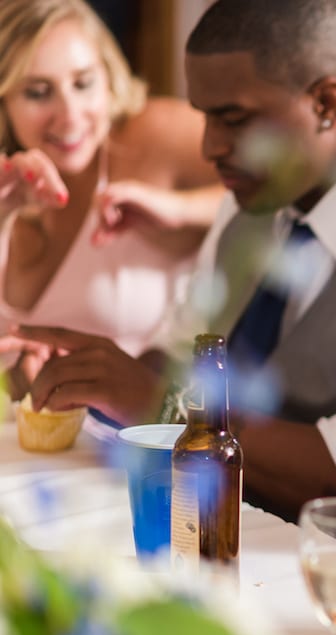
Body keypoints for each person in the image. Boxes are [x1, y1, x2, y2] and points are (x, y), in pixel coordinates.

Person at [3, 0, 336, 520]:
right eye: (206, 117)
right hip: (229, 531)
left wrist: (160, 404)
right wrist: (89, 375)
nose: (210, 147)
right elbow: (184, 353)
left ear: (326, 104)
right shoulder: (260, 195)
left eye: (234, 120)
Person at [0, 0, 221, 397]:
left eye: (83, 83)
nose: (70, 114)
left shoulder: (152, 135)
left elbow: (285, 187)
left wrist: (179, 211)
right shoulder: (7, 184)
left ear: (108, 75)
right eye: (38, 92)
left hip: (163, 423)